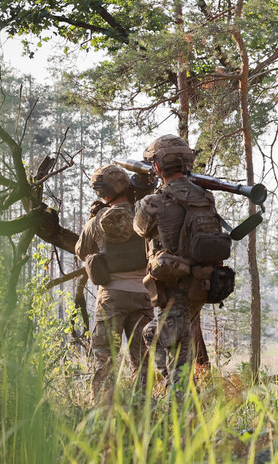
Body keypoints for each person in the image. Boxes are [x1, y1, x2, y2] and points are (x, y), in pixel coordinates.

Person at [133, 135, 233, 379]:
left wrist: (143, 192)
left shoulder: (154, 201)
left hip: (172, 289)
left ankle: (181, 408)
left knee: (176, 360)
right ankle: (181, 400)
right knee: (158, 337)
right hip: (200, 285)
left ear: (157, 166)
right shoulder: (205, 197)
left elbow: (139, 228)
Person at [74, 164, 154, 401]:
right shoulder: (144, 216)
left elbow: (81, 251)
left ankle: (101, 411)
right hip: (143, 295)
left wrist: (93, 219)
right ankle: (143, 410)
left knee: (104, 358)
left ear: (103, 192)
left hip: (111, 297)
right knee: (143, 359)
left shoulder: (97, 221)